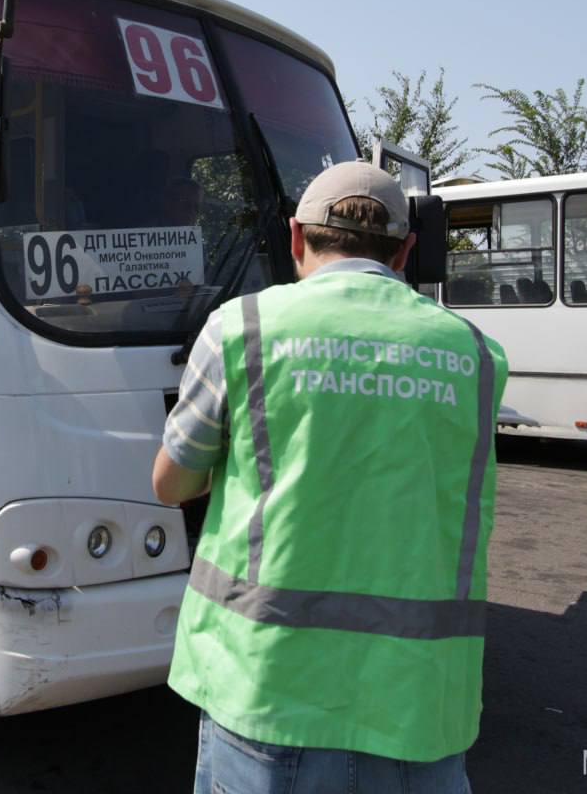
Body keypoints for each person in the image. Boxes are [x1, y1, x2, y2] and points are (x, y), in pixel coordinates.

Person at [152, 161, 508, 794]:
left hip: (267, 691)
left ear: (295, 238)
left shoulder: (242, 329)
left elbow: (172, 485)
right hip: (420, 705)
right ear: (404, 251)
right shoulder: (475, 353)